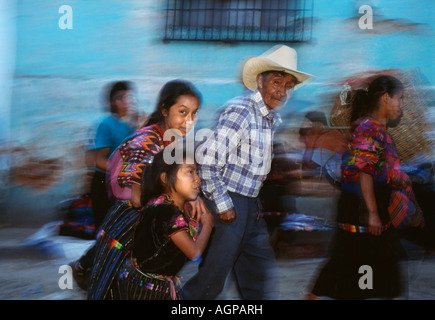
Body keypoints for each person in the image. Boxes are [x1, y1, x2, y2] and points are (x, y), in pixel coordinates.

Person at [182, 45, 313, 299]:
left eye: (288, 85)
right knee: (212, 279)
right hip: (229, 202)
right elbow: (207, 159)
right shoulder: (243, 110)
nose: (282, 91)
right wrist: (222, 204)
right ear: (260, 81)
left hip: (250, 205)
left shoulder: (267, 116)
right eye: (276, 81)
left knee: (256, 273)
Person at [87, 79, 209, 300]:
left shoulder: (169, 143)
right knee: (109, 291)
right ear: (164, 109)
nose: (189, 121)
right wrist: (183, 196)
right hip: (124, 228)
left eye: (194, 113)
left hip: (139, 227)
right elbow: (136, 198)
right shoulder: (146, 143)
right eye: (183, 112)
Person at [306, 75, 424, 300]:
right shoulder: (369, 129)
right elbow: (364, 172)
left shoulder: (375, 129)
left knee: (358, 265)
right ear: (385, 97)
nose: (401, 105)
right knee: (354, 265)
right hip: (363, 206)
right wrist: (371, 213)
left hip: (367, 205)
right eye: (399, 99)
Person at [113, 149, 214, 300]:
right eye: (190, 172)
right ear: (165, 178)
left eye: (197, 172)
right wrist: (208, 225)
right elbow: (194, 253)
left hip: (146, 283)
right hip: (147, 292)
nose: (197, 179)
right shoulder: (168, 214)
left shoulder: (166, 203)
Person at [69, 81, 137, 289]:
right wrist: (120, 171)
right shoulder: (105, 124)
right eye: (127, 97)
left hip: (119, 185)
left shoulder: (127, 125)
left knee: (118, 232)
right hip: (102, 184)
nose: (131, 102)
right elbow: (97, 159)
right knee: (108, 233)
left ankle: (98, 273)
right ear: (116, 101)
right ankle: (84, 269)